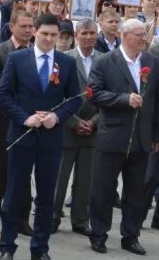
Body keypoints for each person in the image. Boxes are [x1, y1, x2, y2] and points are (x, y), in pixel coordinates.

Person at [0, 13, 82, 260]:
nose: (49, 38)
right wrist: (24, 117)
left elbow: (74, 99)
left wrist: (58, 117)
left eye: (54, 35)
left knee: (46, 197)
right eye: (44, 33)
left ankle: (40, 248)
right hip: (22, 135)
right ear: (34, 32)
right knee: (14, 194)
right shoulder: (17, 59)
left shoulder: (66, 63)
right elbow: (3, 95)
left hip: (50, 138)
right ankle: (7, 247)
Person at [87, 18, 159, 255]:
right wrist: (123, 99)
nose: (143, 38)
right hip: (112, 135)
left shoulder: (153, 62)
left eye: (145, 34)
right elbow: (94, 93)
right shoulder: (104, 61)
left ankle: (130, 235)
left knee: (135, 191)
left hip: (142, 138)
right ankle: (98, 233)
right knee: (103, 189)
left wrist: (157, 134)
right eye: (139, 34)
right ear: (124, 35)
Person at [0, 9, 35, 237]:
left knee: (23, 174)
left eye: (31, 27)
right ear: (11, 26)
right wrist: (20, 110)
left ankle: (21, 219)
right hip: (4, 121)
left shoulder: (36, 54)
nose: (28, 31)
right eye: (24, 26)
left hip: (30, 126)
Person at [54, 18, 101, 235]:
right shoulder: (64, 59)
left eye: (92, 33)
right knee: (59, 177)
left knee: (86, 180)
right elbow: (57, 95)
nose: (89, 37)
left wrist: (93, 122)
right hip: (67, 125)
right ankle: (52, 217)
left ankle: (81, 220)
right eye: (84, 33)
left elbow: (108, 96)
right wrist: (73, 121)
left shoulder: (105, 60)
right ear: (76, 35)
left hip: (93, 128)